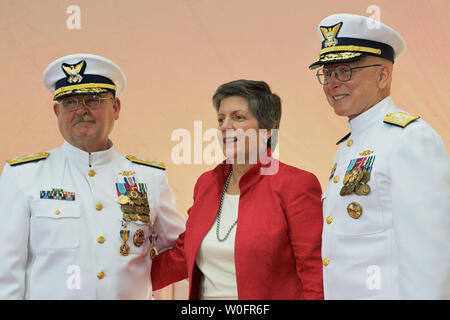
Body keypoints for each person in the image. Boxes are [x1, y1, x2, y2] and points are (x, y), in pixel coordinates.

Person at [0, 53, 186, 299]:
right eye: (70, 103)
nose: (81, 111)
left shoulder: (149, 178)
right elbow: (6, 271)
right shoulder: (24, 175)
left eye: (93, 100)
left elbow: (182, 254)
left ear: (116, 108)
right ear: (57, 111)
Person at [309, 13, 450, 299]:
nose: (333, 83)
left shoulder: (408, 139)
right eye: (327, 72)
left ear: (383, 75)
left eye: (345, 71)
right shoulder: (350, 146)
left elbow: (431, 257)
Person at [151, 79, 324, 299]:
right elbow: (183, 256)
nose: (225, 126)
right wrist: (117, 276)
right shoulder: (206, 183)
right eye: (221, 119)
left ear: (268, 130)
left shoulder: (296, 185)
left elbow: (314, 273)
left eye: (238, 117)